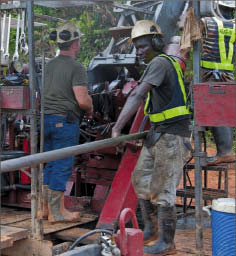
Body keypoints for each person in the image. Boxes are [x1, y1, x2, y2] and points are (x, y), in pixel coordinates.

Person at [112, 20, 191, 256]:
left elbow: (137, 94)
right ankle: (151, 229)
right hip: (158, 133)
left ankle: (167, 242)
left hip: (173, 135)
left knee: (163, 189)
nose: (140, 51)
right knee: (141, 179)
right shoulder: (161, 64)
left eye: (144, 46)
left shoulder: (159, 62)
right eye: (136, 48)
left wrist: (117, 128)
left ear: (157, 43)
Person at [42, 22, 93, 224]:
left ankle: (45, 210)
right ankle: (58, 212)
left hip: (46, 120)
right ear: (75, 44)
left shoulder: (50, 65)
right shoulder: (76, 67)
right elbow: (82, 99)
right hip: (65, 120)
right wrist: (90, 108)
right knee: (62, 165)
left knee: (50, 164)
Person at [200, 1, 235, 165]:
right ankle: (225, 151)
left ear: (217, 7)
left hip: (211, 76)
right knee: (225, 114)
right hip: (228, 77)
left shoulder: (208, 22)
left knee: (214, 115)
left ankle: (224, 153)